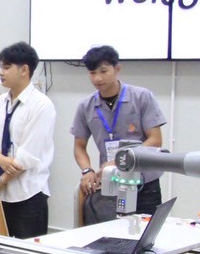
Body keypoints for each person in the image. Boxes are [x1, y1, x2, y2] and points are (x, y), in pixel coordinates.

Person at [72, 45, 167, 224]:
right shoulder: (86, 106)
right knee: (112, 234)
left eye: (103, 71)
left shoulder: (141, 97)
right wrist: (87, 170)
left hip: (145, 183)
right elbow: (79, 147)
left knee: (147, 234)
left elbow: (155, 140)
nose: (98, 78)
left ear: (117, 69)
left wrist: (119, 160)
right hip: (111, 184)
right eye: (92, 73)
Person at [0, 41, 56, 239]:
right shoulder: (1, 102)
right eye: (0, 67)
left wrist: (1, 181)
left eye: (7, 67)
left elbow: (26, 158)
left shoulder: (42, 105)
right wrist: (1, 160)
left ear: (24, 70)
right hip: (0, 193)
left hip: (28, 194)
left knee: (27, 253)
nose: (1, 72)